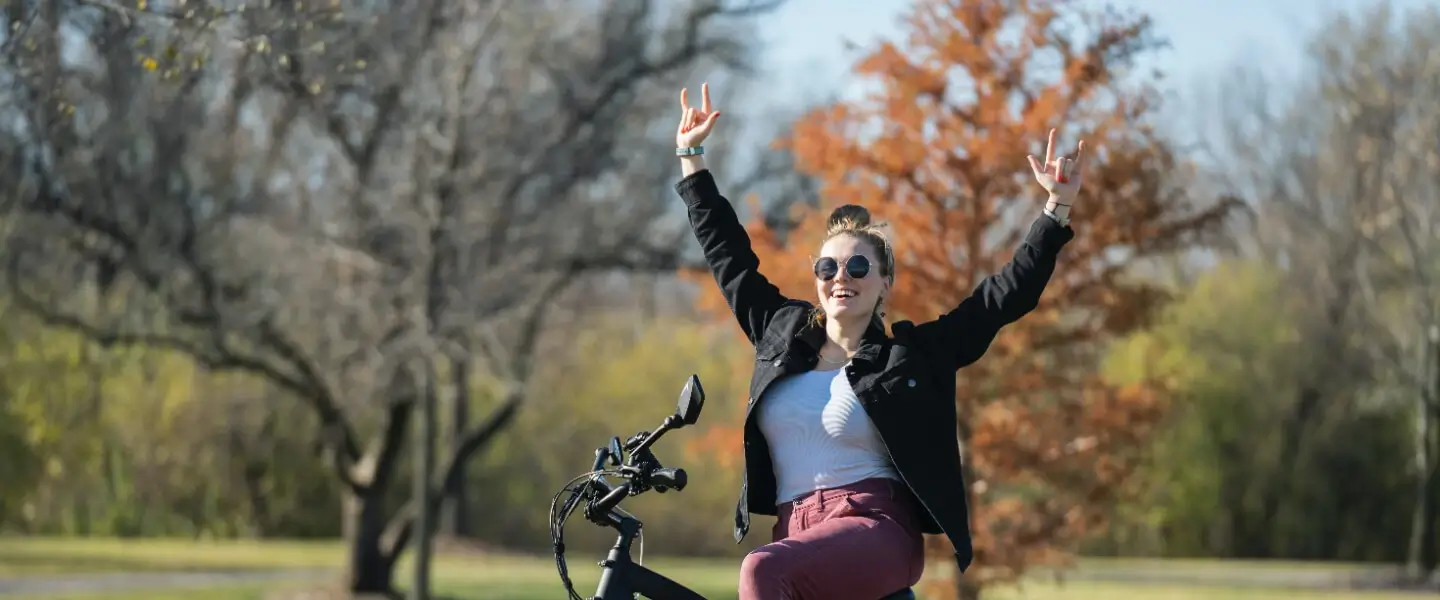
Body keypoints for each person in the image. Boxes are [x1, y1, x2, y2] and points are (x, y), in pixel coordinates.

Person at [673, 83, 1083, 600]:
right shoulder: (780, 334)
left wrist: (1055, 211)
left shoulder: (907, 358)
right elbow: (727, 255)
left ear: (885, 282)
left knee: (760, 573)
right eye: (828, 266)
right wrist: (691, 157)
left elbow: (997, 300)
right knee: (770, 567)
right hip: (795, 532)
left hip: (875, 526)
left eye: (858, 265)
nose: (841, 275)